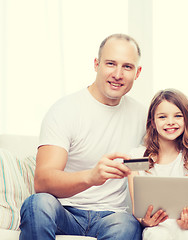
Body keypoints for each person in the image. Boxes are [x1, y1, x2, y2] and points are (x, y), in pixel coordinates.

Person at [19, 34, 146, 240]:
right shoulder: (64, 110)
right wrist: (91, 177)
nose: (118, 74)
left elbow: (165, 157)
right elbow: (42, 181)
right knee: (37, 203)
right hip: (66, 211)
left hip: (113, 216)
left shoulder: (143, 115)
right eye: (110, 64)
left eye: (127, 67)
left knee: (127, 226)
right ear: (96, 64)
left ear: (137, 72)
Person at [128, 89, 188, 240]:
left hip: (185, 227)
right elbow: (137, 207)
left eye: (178, 116)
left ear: (186, 120)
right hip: (156, 227)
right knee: (157, 236)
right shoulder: (137, 158)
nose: (170, 122)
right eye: (162, 117)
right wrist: (145, 221)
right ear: (153, 123)